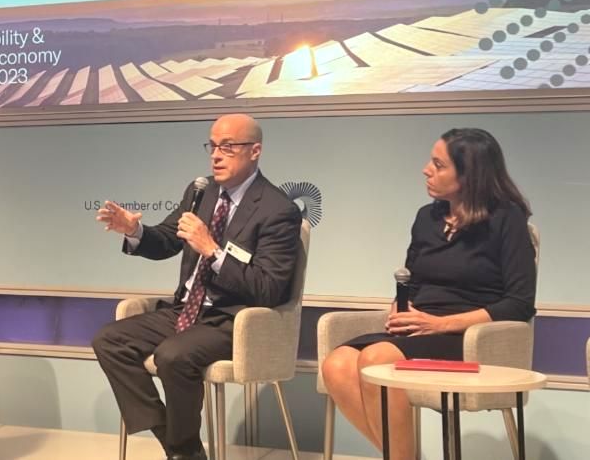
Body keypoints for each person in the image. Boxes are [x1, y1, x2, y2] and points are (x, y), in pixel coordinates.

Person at [92, 114, 303, 460]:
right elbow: (167, 241)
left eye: (228, 147)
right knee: (108, 340)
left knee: (173, 356)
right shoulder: (201, 191)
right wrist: (135, 232)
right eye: (213, 146)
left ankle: (181, 449)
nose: (216, 155)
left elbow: (269, 289)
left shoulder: (277, 210)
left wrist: (213, 251)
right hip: (185, 308)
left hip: (232, 319)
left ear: (255, 151)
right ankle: (179, 445)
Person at [320, 128, 536, 460]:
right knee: (337, 364)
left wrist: (441, 324)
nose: (426, 170)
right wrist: (399, 306)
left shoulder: (507, 219)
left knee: (377, 358)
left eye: (438, 164)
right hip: (419, 329)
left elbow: (519, 303)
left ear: (469, 175)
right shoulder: (427, 216)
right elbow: (413, 280)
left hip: (468, 336)